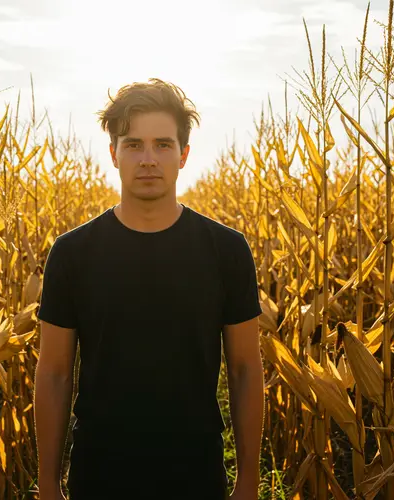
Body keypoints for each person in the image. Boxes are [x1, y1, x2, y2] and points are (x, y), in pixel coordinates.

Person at [34, 78, 265, 500]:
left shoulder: (226, 251)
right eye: (133, 145)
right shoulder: (72, 254)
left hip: (195, 473)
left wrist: (247, 480)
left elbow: (245, 369)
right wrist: (47, 484)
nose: (148, 159)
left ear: (183, 156)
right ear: (113, 155)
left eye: (162, 144)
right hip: (99, 474)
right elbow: (53, 373)